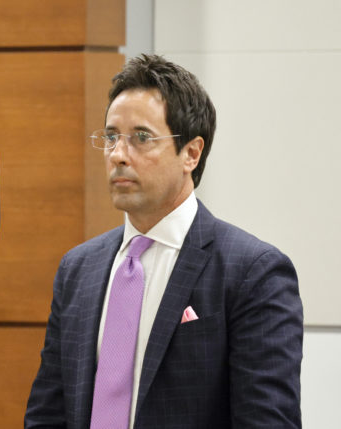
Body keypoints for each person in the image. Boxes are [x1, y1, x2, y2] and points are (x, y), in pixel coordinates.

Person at [25, 54, 303, 428]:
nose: (118, 155)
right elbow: (48, 413)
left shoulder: (252, 272)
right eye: (111, 137)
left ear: (191, 153)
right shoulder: (79, 268)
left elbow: (266, 421)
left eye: (141, 138)